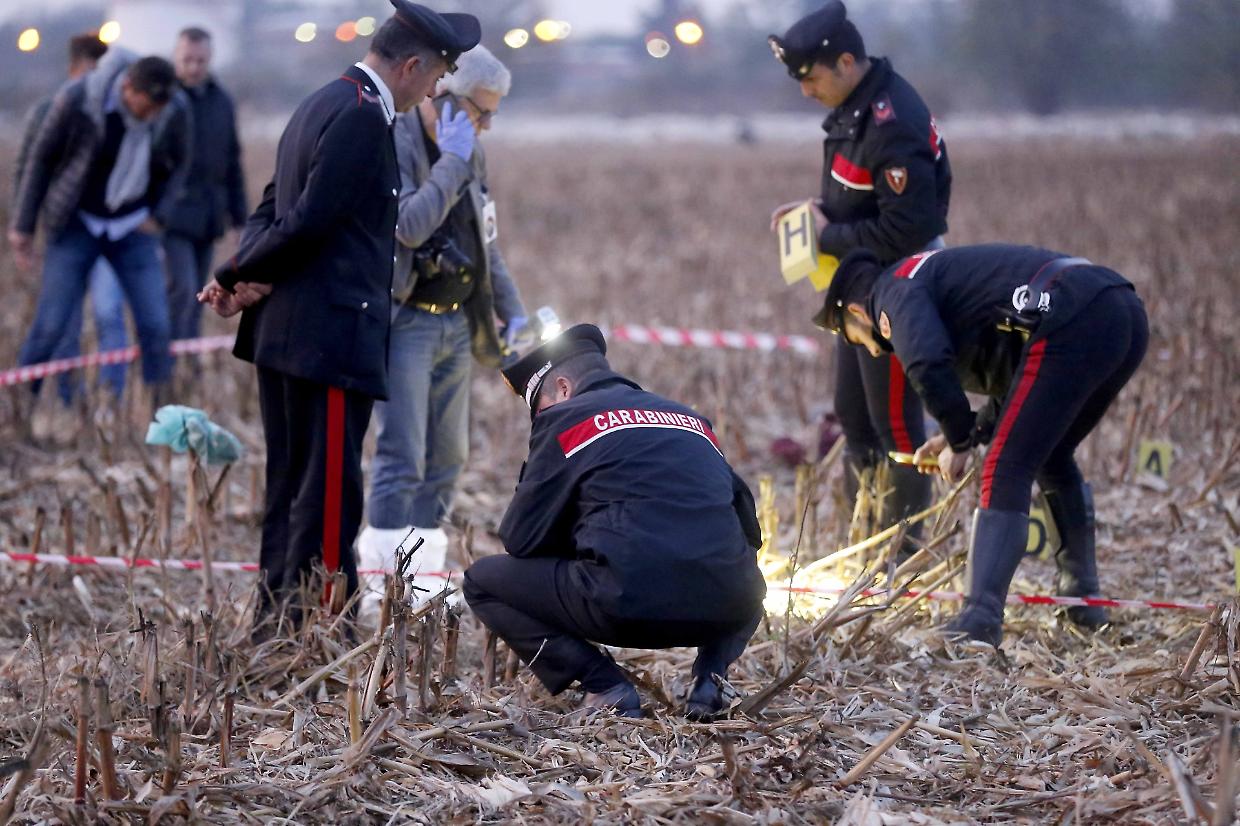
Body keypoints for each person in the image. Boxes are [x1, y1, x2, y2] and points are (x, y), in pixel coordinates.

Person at [198, 1, 480, 624]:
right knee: (326, 494)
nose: (435, 90)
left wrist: (247, 273)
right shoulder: (360, 118)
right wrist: (235, 274)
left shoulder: (323, 100)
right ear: (410, 65)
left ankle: (281, 623)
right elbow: (307, 222)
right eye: (435, 77)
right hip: (327, 338)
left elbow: (270, 210)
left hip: (292, 334)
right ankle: (315, 624)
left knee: (292, 485)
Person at [814, 244, 1148, 645]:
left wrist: (958, 439)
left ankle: (978, 620)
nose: (867, 350)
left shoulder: (893, 292)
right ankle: (1083, 601)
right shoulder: (923, 278)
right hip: (1117, 309)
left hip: (1070, 315)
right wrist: (967, 434)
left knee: (1005, 468)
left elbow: (926, 361)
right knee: (1051, 454)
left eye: (854, 339)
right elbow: (1019, 383)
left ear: (855, 313)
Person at [464, 325, 767, 719]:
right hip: (726, 605)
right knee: (746, 581)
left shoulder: (566, 420)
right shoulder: (691, 419)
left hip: (625, 605)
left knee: (483, 581)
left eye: (537, 407)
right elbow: (749, 530)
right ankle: (710, 681)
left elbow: (521, 540)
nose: (538, 419)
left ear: (562, 388)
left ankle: (605, 684)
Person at [768, 1, 951, 555]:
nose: (805, 90)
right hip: (857, 288)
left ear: (846, 61)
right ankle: (863, 542)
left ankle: (900, 553)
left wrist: (824, 236)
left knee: (894, 422)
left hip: (896, 290)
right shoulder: (856, 105)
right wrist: (814, 213)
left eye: (810, 77)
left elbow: (907, 227)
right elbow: (856, 196)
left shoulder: (894, 122)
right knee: (854, 416)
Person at [359, 44, 527, 603]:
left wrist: (510, 305)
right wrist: (452, 163)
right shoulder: (398, 140)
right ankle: (382, 589)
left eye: (492, 116)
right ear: (445, 97)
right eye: (481, 112)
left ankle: (422, 579)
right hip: (405, 321)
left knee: (448, 456)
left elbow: (486, 240)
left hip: (456, 322)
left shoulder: (470, 153)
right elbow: (407, 225)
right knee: (401, 453)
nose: (486, 126)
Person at [9, 48, 189, 402]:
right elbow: (40, 159)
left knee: (155, 324)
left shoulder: (174, 109)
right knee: (51, 324)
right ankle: (17, 407)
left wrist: (159, 215)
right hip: (77, 223)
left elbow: (181, 165)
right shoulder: (78, 99)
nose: (153, 115)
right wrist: (23, 225)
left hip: (132, 227)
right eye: (147, 106)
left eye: (160, 109)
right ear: (128, 88)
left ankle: (162, 417)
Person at [13, 33, 129, 408]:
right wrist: (24, 226)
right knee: (62, 322)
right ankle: (61, 398)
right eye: (90, 70)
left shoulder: (115, 110)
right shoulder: (50, 110)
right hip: (64, 230)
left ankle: (109, 401)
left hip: (109, 230)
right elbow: (29, 168)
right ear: (74, 67)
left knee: (110, 314)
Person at [162, 27, 247, 347]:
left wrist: (240, 218)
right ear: (176, 57)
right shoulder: (165, 99)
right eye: (187, 60)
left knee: (199, 294)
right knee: (180, 291)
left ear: (209, 58)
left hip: (208, 216)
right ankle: (170, 367)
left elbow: (231, 162)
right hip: (172, 217)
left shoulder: (221, 101)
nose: (194, 67)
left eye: (200, 60)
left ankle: (187, 366)